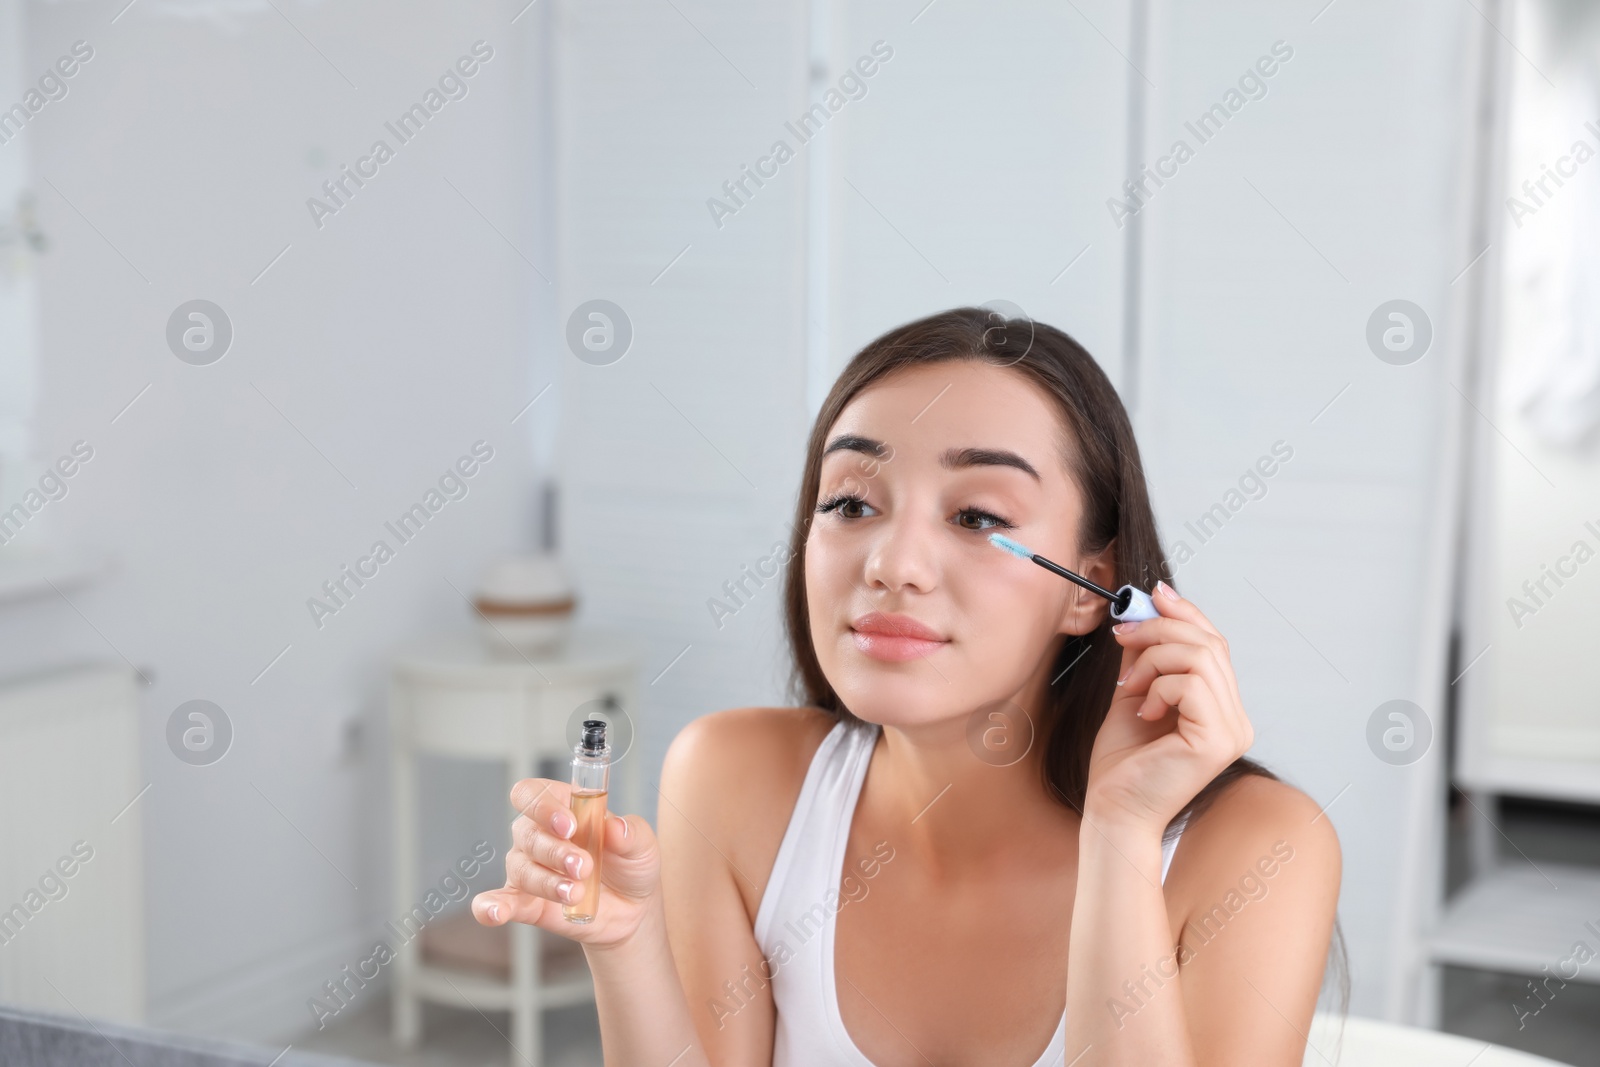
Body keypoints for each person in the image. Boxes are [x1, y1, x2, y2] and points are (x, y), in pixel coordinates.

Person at [473, 307, 1345, 1065]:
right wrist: (626, 945)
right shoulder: (733, 780)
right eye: (853, 503)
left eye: (976, 516)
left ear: (1092, 582)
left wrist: (1120, 841)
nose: (893, 564)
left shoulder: (1258, 851)